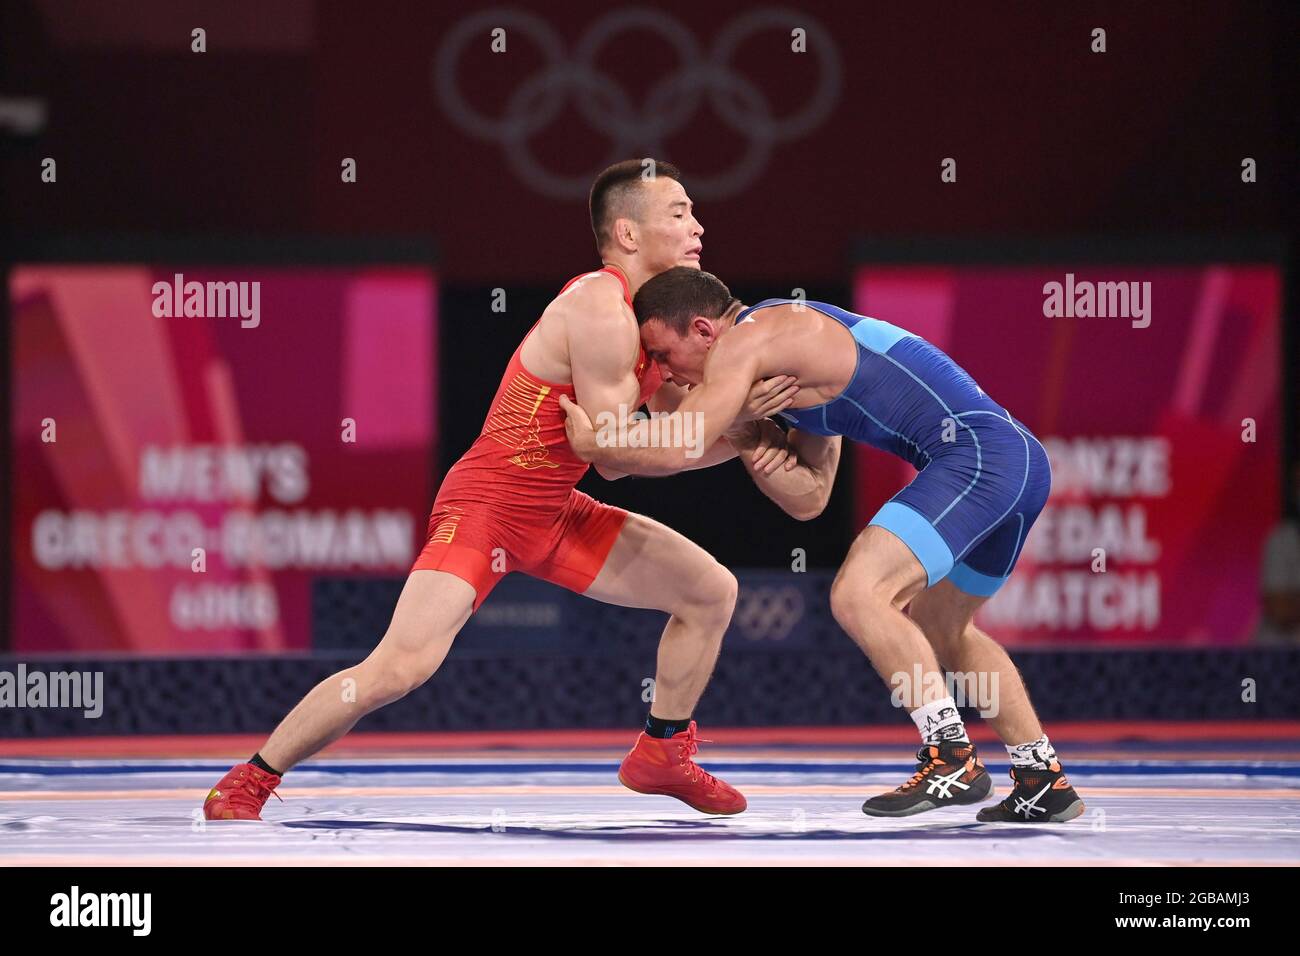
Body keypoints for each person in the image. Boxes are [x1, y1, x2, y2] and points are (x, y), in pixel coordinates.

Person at [203, 162, 802, 821]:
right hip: (486, 507)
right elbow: (618, 461)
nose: (698, 225)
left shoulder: (650, 326)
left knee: (709, 592)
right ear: (627, 233)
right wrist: (728, 429)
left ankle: (664, 751)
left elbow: (660, 442)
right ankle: (249, 779)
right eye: (681, 212)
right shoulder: (599, 308)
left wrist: (743, 434)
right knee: (400, 667)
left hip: (553, 513)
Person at [561, 267, 1085, 823]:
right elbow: (809, 498)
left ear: (703, 330)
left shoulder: (753, 338)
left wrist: (602, 443)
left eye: (665, 355)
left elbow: (682, 440)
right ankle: (1040, 779)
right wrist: (743, 428)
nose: (666, 373)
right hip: (1017, 461)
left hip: (982, 460)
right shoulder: (789, 355)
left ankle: (951, 757)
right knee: (943, 625)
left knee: (859, 594)